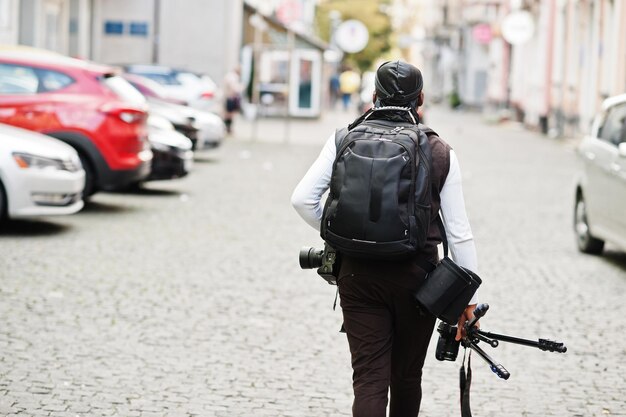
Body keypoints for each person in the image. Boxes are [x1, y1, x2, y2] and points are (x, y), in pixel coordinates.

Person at [291, 60, 480, 417]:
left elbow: (302, 199)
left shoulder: (343, 137)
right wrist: (467, 302)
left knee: (369, 378)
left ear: (373, 96)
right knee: (406, 377)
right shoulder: (440, 151)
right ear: (420, 99)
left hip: (357, 277)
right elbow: (459, 234)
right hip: (418, 281)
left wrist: (339, 234)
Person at [222, 67, 243, 134]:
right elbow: (235, 88)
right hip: (231, 98)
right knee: (230, 114)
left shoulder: (229, 76)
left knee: (228, 114)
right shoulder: (233, 77)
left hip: (228, 97)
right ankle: (228, 129)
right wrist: (241, 87)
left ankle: (227, 128)